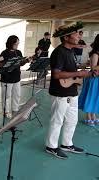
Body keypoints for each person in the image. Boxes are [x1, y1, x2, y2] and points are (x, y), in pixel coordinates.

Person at [45, 22, 95, 159]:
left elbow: (70, 69)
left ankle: (67, 143)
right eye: (75, 33)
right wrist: (78, 74)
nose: (79, 35)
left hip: (72, 92)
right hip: (60, 93)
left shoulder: (70, 51)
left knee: (72, 120)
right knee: (57, 121)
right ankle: (51, 146)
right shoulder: (59, 52)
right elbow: (56, 74)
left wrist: (82, 69)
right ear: (66, 37)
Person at [0, 35, 30, 119]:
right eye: (16, 44)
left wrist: (26, 61)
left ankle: (15, 110)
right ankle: (6, 112)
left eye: (18, 44)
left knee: (17, 95)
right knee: (6, 96)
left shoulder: (18, 52)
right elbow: (1, 65)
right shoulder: (4, 53)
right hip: (7, 78)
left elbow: (21, 63)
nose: (17, 45)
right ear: (11, 43)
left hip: (16, 77)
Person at [78, 34, 99, 126]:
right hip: (94, 78)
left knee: (96, 98)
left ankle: (93, 115)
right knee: (91, 96)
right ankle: (88, 116)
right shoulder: (95, 54)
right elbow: (94, 68)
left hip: (97, 79)